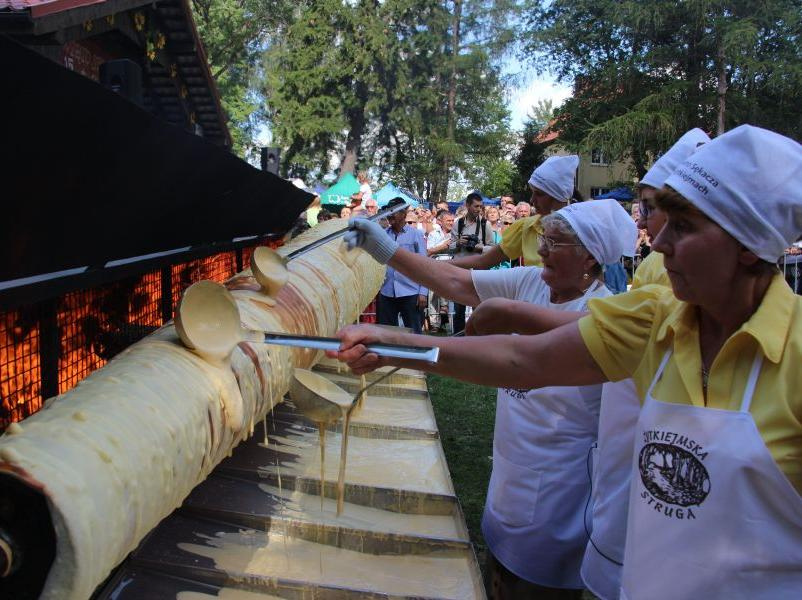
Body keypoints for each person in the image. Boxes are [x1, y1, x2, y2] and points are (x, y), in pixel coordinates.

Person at [332, 125, 802, 599]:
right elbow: (521, 359)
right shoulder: (654, 319)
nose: (658, 245)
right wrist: (392, 342)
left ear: (747, 244)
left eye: (683, 228)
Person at [343, 200, 637, 598]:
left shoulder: (602, 313)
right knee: (496, 571)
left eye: (556, 243)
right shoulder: (531, 281)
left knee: (535, 584)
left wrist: (398, 346)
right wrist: (383, 247)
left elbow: (521, 362)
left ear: (590, 256)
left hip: (561, 485)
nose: (543, 249)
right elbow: (456, 283)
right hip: (511, 467)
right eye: (544, 239)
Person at [449, 155, 580, 271]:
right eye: (532, 193)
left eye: (539, 194)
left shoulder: (581, 228)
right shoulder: (525, 227)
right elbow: (483, 261)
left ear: (559, 197)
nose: (532, 200)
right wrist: (442, 265)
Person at [375, 198, 428, 333]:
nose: (389, 214)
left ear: (404, 214)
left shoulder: (416, 234)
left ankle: (416, 354)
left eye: (394, 212)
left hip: (411, 292)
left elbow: (424, 265)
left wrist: (423, 292)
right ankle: (388, 355)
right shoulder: (383, 235)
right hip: (386, 292)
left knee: (414, 334)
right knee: (386, 333)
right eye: (388, 211)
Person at [450, 193, 496, 333]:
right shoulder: (458, 223)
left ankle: (479, 336)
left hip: (478, 272)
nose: (478, 209)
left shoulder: (485, 224)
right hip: (460, 270)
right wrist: (458, 243)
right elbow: (451, 247)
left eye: (480, 207)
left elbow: (492, 248)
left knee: (478, 306)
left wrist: (478, 247)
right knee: (459, 307)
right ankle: (458, 337)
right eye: (476, 206)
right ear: (467, 205)